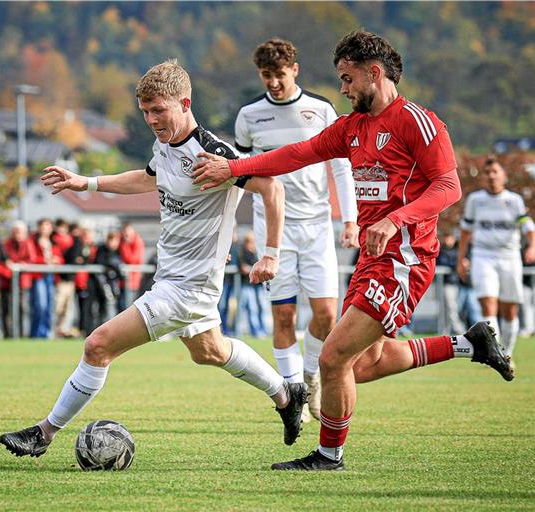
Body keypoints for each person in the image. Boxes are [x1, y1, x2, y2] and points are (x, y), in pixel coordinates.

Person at [192, 31, 514, 471]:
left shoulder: (417, 121)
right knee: (363, 365)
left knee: (332, 356)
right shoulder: (352, 127)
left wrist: (393, 219)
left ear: (373, 73)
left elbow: (449, 186)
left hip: (405, 258)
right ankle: (470, 344)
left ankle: (329, 456)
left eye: (347, 79)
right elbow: (297, 154)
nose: (342, 89)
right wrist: (234, 167)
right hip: (371, 258)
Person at [0, 59, 306, 460]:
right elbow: (148, 178)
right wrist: (86, 183)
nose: (151, 119)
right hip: (172, 278)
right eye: (145, 112)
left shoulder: (211, 153)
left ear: (184, 102)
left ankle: (43, 433)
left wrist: (271, 254)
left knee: (97, 345)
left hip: (188, 288)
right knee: (209, 351)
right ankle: (287, 395)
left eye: (158, 110)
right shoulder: (165, 145)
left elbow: (272, 189)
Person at [234, 38, 358, 423]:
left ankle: (309, 377)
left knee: (326, 314)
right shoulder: (249, 116)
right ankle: (293, 394)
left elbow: (340, 167)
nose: (273, 82)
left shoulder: (320, 109)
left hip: (318, 226)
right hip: (273, 230)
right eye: (266, 75)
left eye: (279, 74)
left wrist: (350, 219)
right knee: (284, 316)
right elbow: (237, 177)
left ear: (295, 70)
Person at [457, 157, 535, 364]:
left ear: (504, 176)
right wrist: (461, 259)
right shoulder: (475, 200)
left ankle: (507, 352)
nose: (491, 176)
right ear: (483, 177)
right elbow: (465, 232)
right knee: (488, 303)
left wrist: (532, 246)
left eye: (495, 172)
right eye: (487, 172)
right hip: (483, 256)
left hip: (510, 256)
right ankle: (496, 353)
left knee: (510, 309)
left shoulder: (515, 200)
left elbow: (528, 226)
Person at [238, 232, 267, 337]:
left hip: (259, 286)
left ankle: (263, 330)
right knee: (252, 308)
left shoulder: (258, 253)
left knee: (262, 308)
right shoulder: (242, 253)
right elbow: (243, 268)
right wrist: (253, 270)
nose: (252, 244)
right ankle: (255, 331)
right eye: (250, 241)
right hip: (247, 284)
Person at [118, 222, 146, 311]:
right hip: (121, 281)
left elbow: (132, 260)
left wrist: (125, 245)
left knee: (128, 307)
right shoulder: (122, 241)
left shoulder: (137, 242)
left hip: (132, 281)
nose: (126, 236)